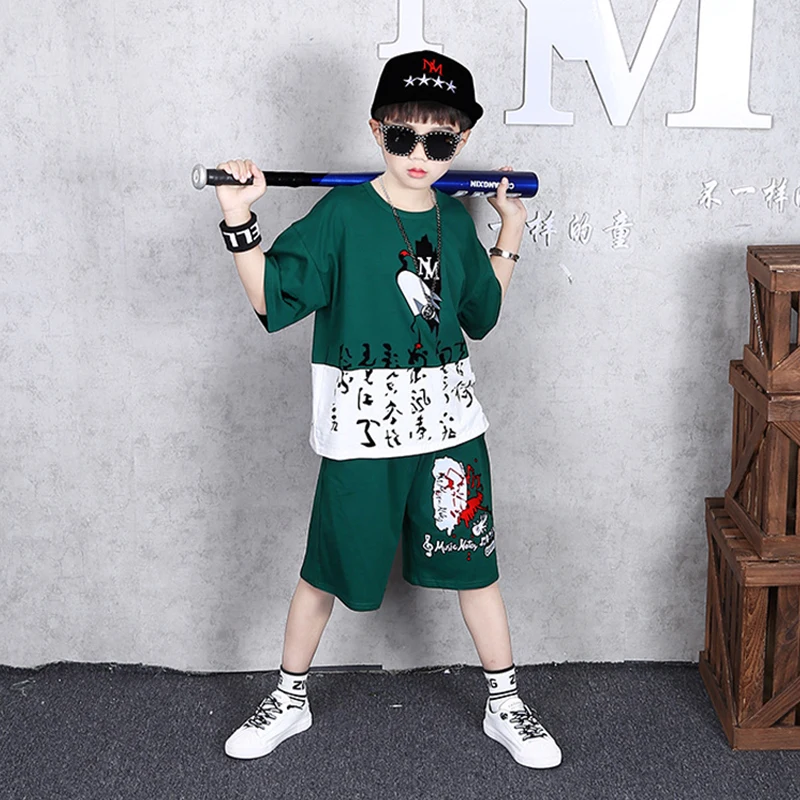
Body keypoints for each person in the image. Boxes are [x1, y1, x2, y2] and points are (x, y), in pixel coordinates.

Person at [213, 50, 562, 770]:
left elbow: (482, 313)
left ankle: (505, 703)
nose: (419, 155)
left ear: (462, 141)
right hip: (364, 434)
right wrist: (239, 218)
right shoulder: (342, 215)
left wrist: (510, 228)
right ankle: (289, 697)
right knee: (324, 570)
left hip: (449, 433)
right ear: (376, 130)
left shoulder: (454, 220)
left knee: (476, 568)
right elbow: (271, 297)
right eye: (403, 136)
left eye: (440, 141)